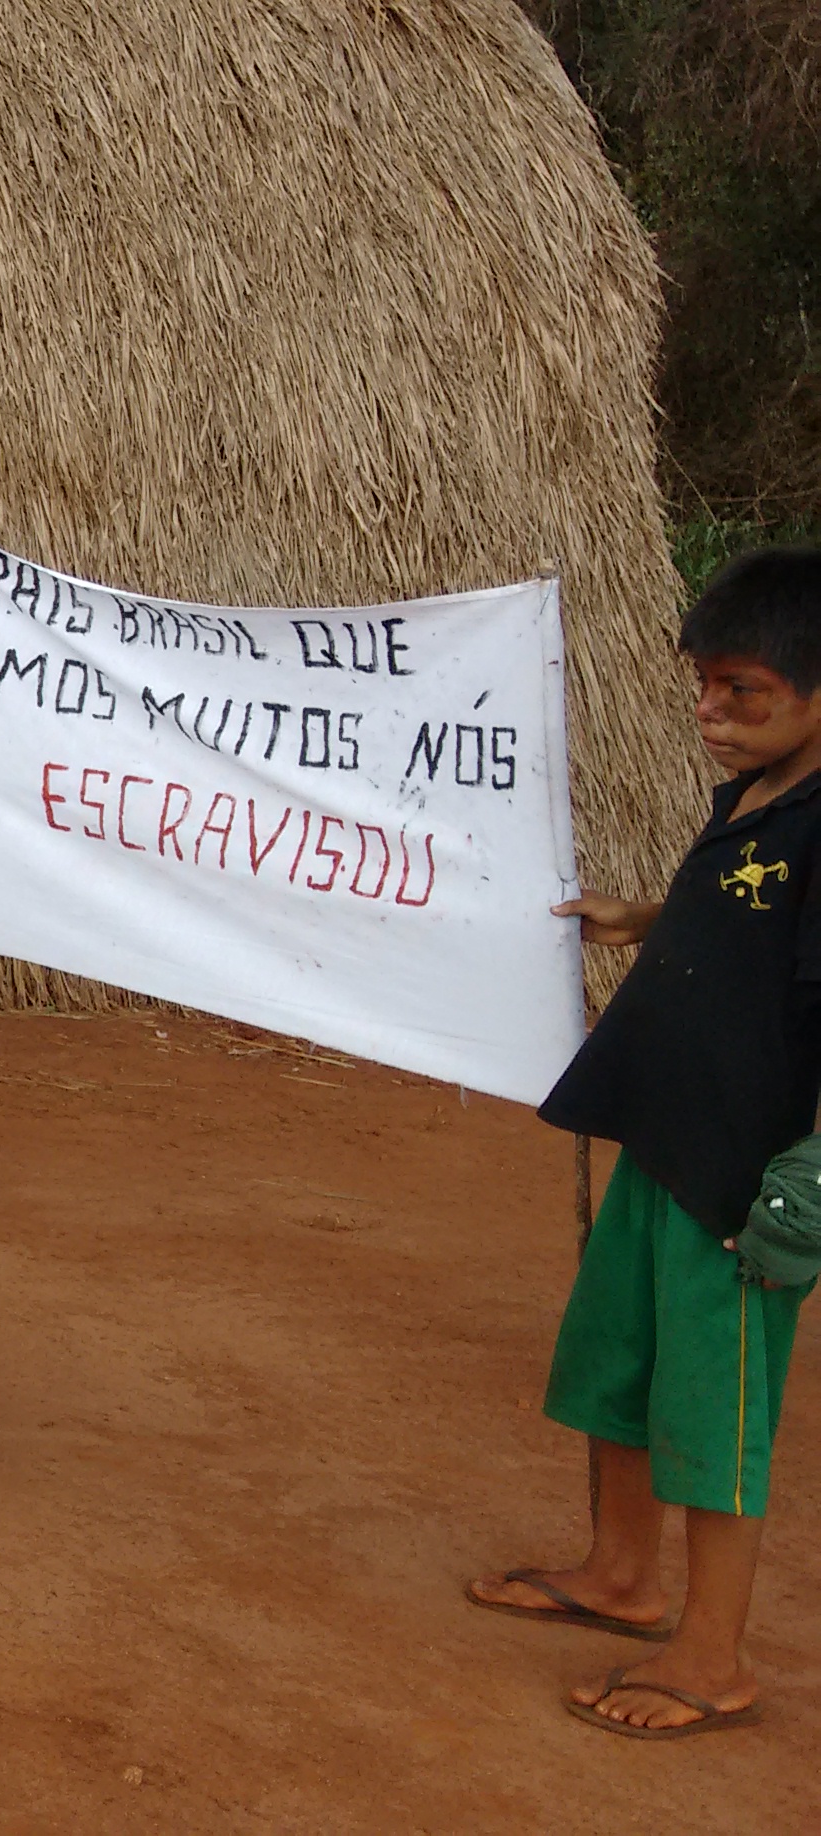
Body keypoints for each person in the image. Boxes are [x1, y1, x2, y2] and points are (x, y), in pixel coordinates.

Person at [465, 548, 821, 1739]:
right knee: (619, 1368)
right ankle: (622, 1579)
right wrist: (647, 914)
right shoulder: (760, 796)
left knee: (711, 1408)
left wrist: (808, 1180)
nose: (714, 717)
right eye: (706, 690)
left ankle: (713, 1655)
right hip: (664, 1141)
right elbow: (753, 926)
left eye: (746, 696)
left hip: (742, 1178)